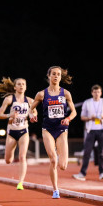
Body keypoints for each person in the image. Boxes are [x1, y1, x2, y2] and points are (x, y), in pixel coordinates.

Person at [29, 66, 77, 199]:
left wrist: (68, 118)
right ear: (49, 76)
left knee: (63, 166)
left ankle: (59, 154)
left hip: (61, 130)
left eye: (58, 74)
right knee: (53, 159)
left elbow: (74, 111)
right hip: (47, 129)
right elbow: (31, 108)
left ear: (61, 77)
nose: (56, 76)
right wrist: (32, 115)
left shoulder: (66, 93)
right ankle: (55, 190)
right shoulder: (42, 94)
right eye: (54, 74)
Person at [0, 77, 37, 191]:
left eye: (23, 84)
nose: (21, 86)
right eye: (19, 84)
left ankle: (20, 183)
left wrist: (33, 116)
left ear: (26, 86)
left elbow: (34, 112)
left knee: (22, 156)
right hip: (11, 132)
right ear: (15, 87)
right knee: (8, 160)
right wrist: (10, 115)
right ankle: (10, 156)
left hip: (24, 131)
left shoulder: (29, 100)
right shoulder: (9, 99)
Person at [73, 84, 103, 181]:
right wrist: (91, 118)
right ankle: (82, 173)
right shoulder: (87, 102)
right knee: (87, 152)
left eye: (98, 92)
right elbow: (82, 117)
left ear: (101, 93)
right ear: (92, 93)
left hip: (102, 129)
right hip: (91, 130)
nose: (96, 94)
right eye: (94, 92)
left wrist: (102, 117)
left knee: (102, 152)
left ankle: (102, 173)